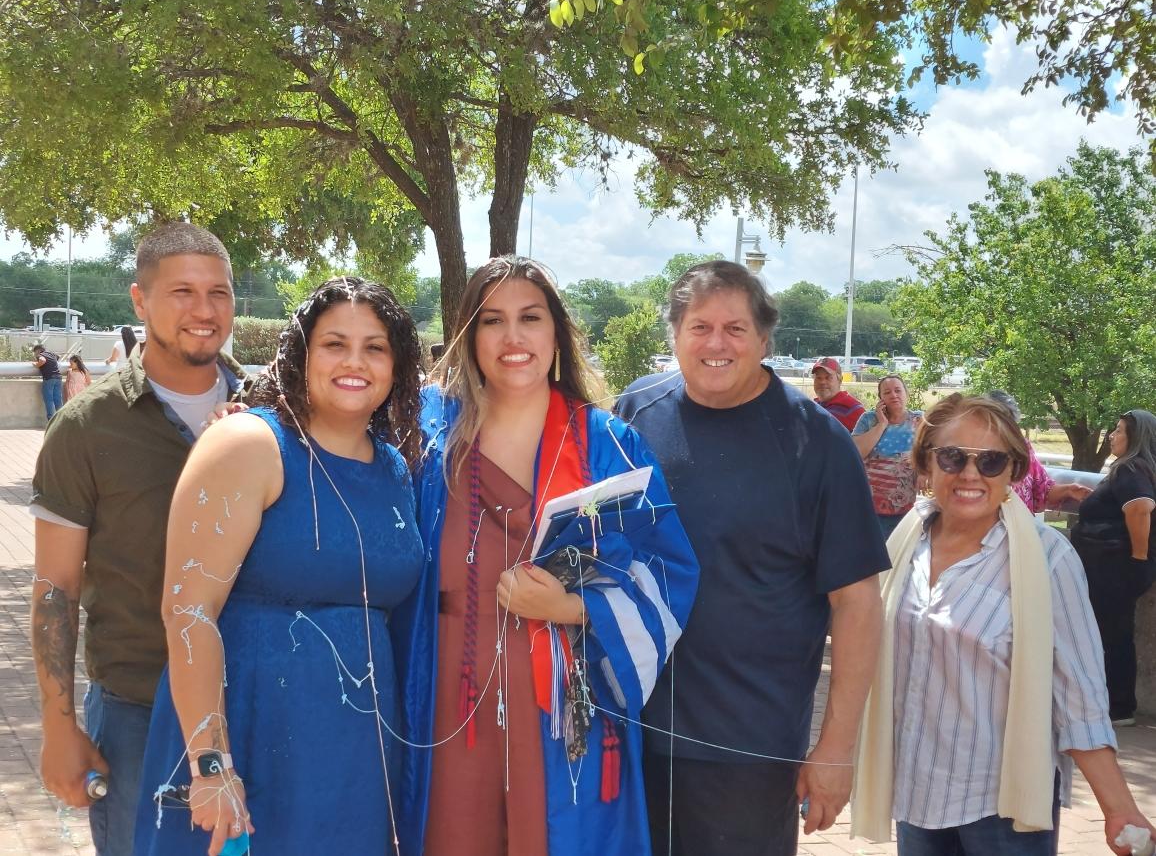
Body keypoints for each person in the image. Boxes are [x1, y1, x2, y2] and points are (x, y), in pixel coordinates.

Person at [395, 255, 700, 856]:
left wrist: (577, 608)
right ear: (468, 335)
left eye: (530, 318)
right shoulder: (423, 436)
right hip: (449, 691)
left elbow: (667, 570)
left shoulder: (608, 443)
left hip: (564, 704)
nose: (513, 338)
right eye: (492, 321)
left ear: (556, 332)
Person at [133, 277, 424, 855]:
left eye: (375, 347)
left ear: (398, 365)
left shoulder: (396, 468)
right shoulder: (249, 443)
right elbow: (188, 611)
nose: (355, 362)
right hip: (243, 739)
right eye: (335, 343)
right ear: (302, 353)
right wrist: (211, 764)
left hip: (355, 765)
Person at [616, 261, 887, 856]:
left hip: (747, 747)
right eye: (700, 327)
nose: (717, 344)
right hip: (629, 730)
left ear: (764, 340)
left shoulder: (816, 442)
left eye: (735, 329)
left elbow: (858, 602)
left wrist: (836, 747)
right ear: (675, 334)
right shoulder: (636, 412)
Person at [29, 223, 250, 855]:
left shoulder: (269, 413)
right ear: (138, 300)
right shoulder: (86, 427)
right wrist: (59, 726)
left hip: (256, 701)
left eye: (220, 293)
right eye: (182, 291)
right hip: (138, 710)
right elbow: (55, 589)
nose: (204, 311)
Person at [852, 393, 1154, 855]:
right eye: (952, 457)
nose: (970, 474)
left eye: (991, 461)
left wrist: (1118, 807)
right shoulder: (907, 539)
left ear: (1014, 470)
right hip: (914, 793)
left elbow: (1080, 698)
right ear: (926, 463)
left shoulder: (1047, 560)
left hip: (1002, 807)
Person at [1071, 409, 1156, 727]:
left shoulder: (1131, 469)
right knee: (1113, 633)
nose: (1111, 436)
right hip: (1113, 567)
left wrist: (1137, 559)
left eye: (1118, 431)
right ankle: (1116, 705)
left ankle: (1119, 707)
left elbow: (1140, 509)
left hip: (1116, 568)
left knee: (1112, 635)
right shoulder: (1136, 468)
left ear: (1134, 438)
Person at [986, 389, 1092, 513]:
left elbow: (1042, 490)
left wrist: (1069, 490)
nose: (1001, 427)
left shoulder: (1022, 448)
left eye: (1008, 420)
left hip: (1022, 526)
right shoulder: (974, 454)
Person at [852, 374, 924, 537]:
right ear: (880, 399)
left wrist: (924, 470)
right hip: (869, 508)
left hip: (907, 509)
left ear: (907, 394)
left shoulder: (920, 420)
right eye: (887, 392)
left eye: (898, 390)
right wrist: (882, 424)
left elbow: (934, 451)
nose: (893, 395)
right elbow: (856, 453)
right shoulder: (869, 419)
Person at [812, 356, 865, 431]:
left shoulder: (853, 409)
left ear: (840, 380)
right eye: (818, 378)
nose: (822, 382)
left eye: (828, 377)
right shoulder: (812, 406)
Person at [31, 343, 64, 420]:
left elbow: (43, 360)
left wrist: (36, 365)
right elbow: (59, 357)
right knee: (58, 399)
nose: (35, 355)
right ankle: (61, 419)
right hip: (58, 377)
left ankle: (51, 420)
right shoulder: (51, 354)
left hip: (49, 378)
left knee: (49, 400)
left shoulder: (41, 355)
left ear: (38, 351)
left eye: (35, 352)